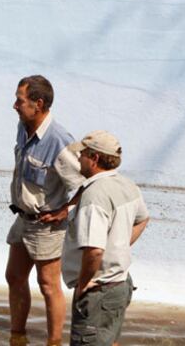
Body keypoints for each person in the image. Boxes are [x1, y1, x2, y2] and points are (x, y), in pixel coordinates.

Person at [6, 75, 84, 346]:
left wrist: (65, 210)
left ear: (38, 104)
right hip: (23, 218)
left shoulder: (60, 141)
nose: (15, 105)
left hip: (46, 224)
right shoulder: (23, 125)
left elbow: (86, 183)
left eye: (20, 100)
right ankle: (17, 336)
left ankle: (54, 343)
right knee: (14, 276)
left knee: (48, 285)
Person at [62, 130, 150, 346]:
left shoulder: (94, 195)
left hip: (98, 290)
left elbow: (94, 250)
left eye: (82, 154)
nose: (78, 158)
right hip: (120, 284)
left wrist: (83, 284)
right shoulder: (127, 185)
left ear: (94, 159)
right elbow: (143, 219)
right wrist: (119, 247)